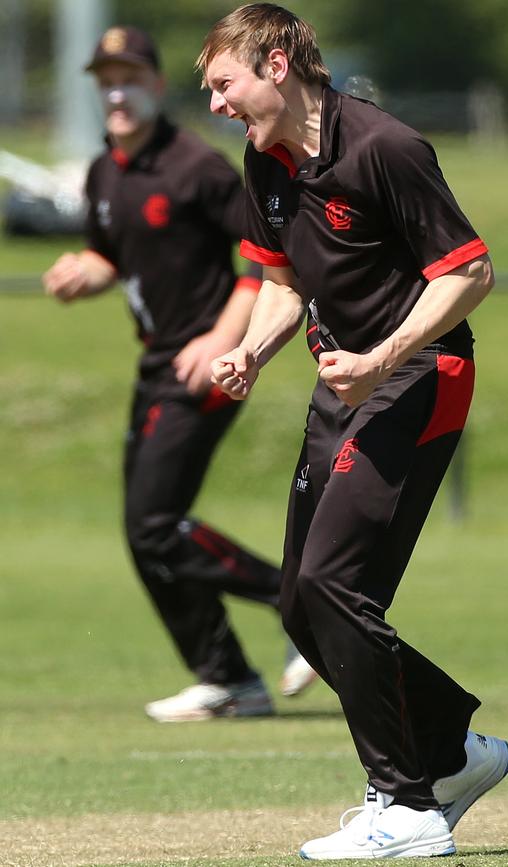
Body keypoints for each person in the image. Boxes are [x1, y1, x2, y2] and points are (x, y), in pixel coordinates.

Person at [197, 3, 508, 858]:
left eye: (223, 84)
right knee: (303, 601)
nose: (216, 104)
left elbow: (470, 272)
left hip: (421, 374)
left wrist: (386, 354)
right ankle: (449, 750)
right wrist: (253, 352)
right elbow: (283, 281)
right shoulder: (262, 159)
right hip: (347, 382)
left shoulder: (385, 148)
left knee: (336, 584)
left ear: (274, 63)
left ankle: (407, 807)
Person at [42, 25, 316, 723]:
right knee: (146, 535)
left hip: (209, 364)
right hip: (155, 362)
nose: (116, 89)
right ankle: (228, 678)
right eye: (105, 78)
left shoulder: (197, 165)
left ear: (157, 85)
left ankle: (303, 606)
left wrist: (224, 339)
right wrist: (86, 270)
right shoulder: (106, 170)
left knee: (155, 523)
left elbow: (267, 257)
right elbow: (111, 253)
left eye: (130, 75)